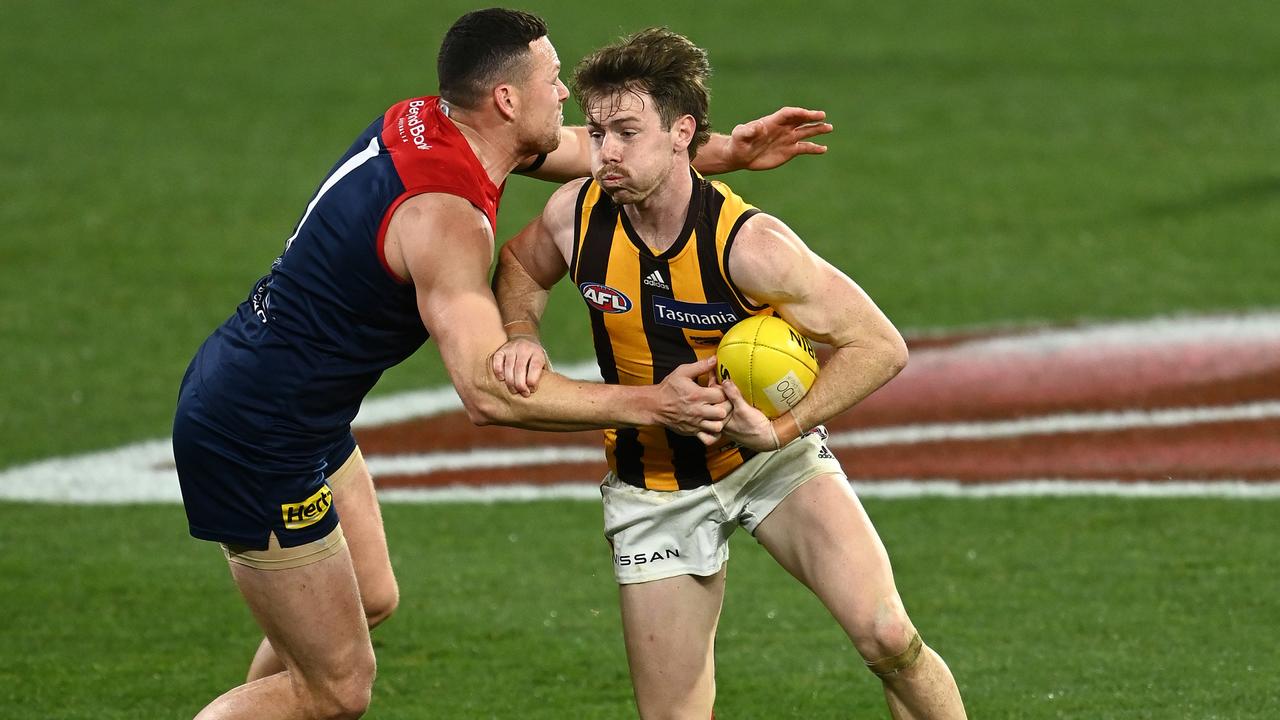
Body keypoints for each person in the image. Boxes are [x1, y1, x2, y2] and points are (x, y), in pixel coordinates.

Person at [172, 8, 833, 720]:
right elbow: (490, 394)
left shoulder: (433, 121)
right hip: (256, 435)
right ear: (507, 101)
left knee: (368, 599)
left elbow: (584, 150)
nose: (567, 96)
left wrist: (727, 148)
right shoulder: (447, 217)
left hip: (293, 407)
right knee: (334, 690)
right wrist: (651, 404)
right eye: (553, 80)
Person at [491, 27, 967, 719]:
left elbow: (879, 345)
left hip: (773, 464)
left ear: (683, 131)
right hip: (654, 490)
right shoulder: (577, 214)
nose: (605, 153)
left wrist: (779, 430)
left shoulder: (751, 245)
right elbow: (519, 269)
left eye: (626, 131)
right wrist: (519, 332)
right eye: (595, 133)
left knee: (889, 637)